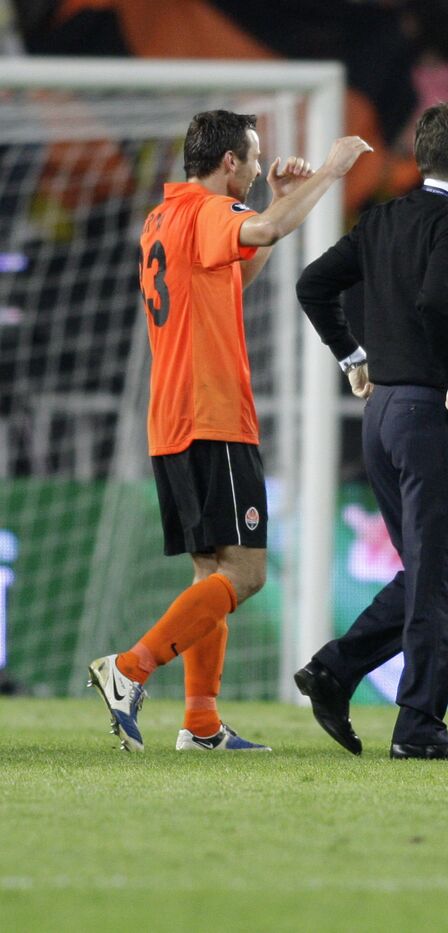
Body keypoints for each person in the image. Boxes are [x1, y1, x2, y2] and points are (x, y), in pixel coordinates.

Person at [86, 111, 370, 753]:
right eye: (254, 158)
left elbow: (239, 271)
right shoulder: (209, 211)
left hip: (173, 420)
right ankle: (128, 670)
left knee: (209, 573)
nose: (255, 169)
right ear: (230, 163)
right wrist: (330, 172)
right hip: (212, 415)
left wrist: (279, 196)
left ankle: (202, 723)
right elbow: (263, 226)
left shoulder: (166, 216)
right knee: (246, 575)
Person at [293, 103, 448, 761]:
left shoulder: (382, 217)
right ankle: (419, 728)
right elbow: (438, 298)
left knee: (427, 570)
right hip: (432, 414)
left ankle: (335, 670)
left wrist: (352, 356)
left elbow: (313, 284)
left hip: (379, 418)